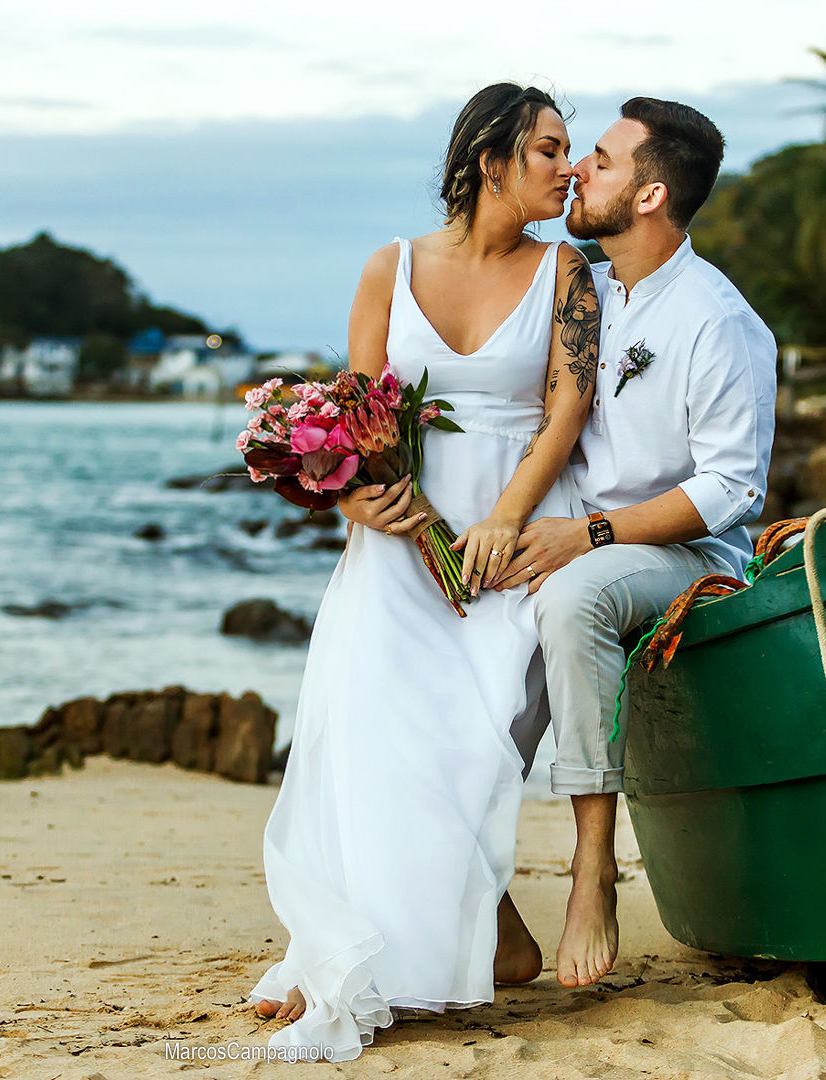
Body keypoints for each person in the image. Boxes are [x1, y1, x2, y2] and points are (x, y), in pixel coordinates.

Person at [247, 82, 601, 1063]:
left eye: (569, 150)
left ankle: (458, 943)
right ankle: (423, 954)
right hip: (399, 543)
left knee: (471, 740)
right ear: (488, 163)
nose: (564, 168)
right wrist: (358, 499)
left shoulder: (567, 273)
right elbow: (356, 423)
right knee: (372, 736)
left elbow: (564, 414)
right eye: (546, 149)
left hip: (515, 532)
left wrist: (501, 520)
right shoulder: (388, 268)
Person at [491, 97, 778, 989]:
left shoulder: (717, 321)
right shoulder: (580, 286)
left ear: (650, 195)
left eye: (603, 161)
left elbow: (733, 489)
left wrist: (587, 534)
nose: (578, 169)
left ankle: (592, 871)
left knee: (575, 595)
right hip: (574, 534)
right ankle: (468, 890)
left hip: (684, 555)